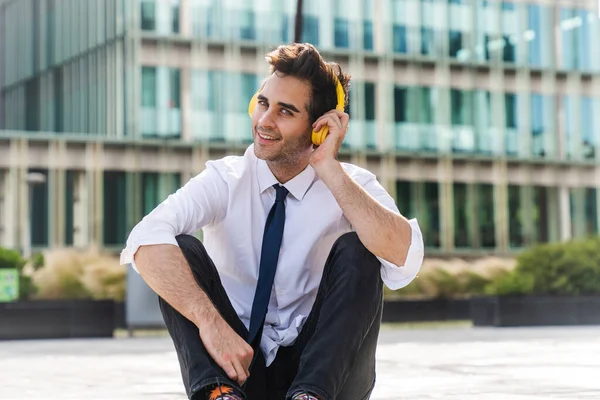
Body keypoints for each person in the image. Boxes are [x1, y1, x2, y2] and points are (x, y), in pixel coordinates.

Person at [120, 43, 424, 400]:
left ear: (319, 128)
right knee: (177, 249)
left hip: (329, 375)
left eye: (285, 111)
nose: (264, 121)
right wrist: (211, 323)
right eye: (263, 103)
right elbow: (143, 240)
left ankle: (309, 397)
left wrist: (329, 169)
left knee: (360, 248)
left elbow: (406, 260)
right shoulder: (225, 179)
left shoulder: (354, 187)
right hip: (238, 367)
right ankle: (219, 395)